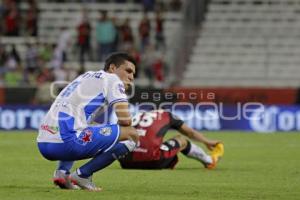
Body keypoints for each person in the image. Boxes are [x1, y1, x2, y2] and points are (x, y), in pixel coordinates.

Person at [37, 52, 139, 191]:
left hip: (43, 142)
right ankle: (83, 175)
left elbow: (83, 121)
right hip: (66, 144)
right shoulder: (112, 79)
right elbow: (125, 121)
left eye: (133, 74)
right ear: (113, 68)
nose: (131, 77)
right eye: (128, 71)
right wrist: (117, 135)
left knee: (81, 128)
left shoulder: (85, 77)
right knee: (131, 134)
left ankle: (62, 173)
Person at [119, 109, 224, 169]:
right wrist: (207, 141)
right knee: (181, 139)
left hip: (126, 162)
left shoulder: (138, 115)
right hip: (152, 161)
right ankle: (209, 161)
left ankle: (170, 163)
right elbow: (190, 133)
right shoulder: (167, 115)